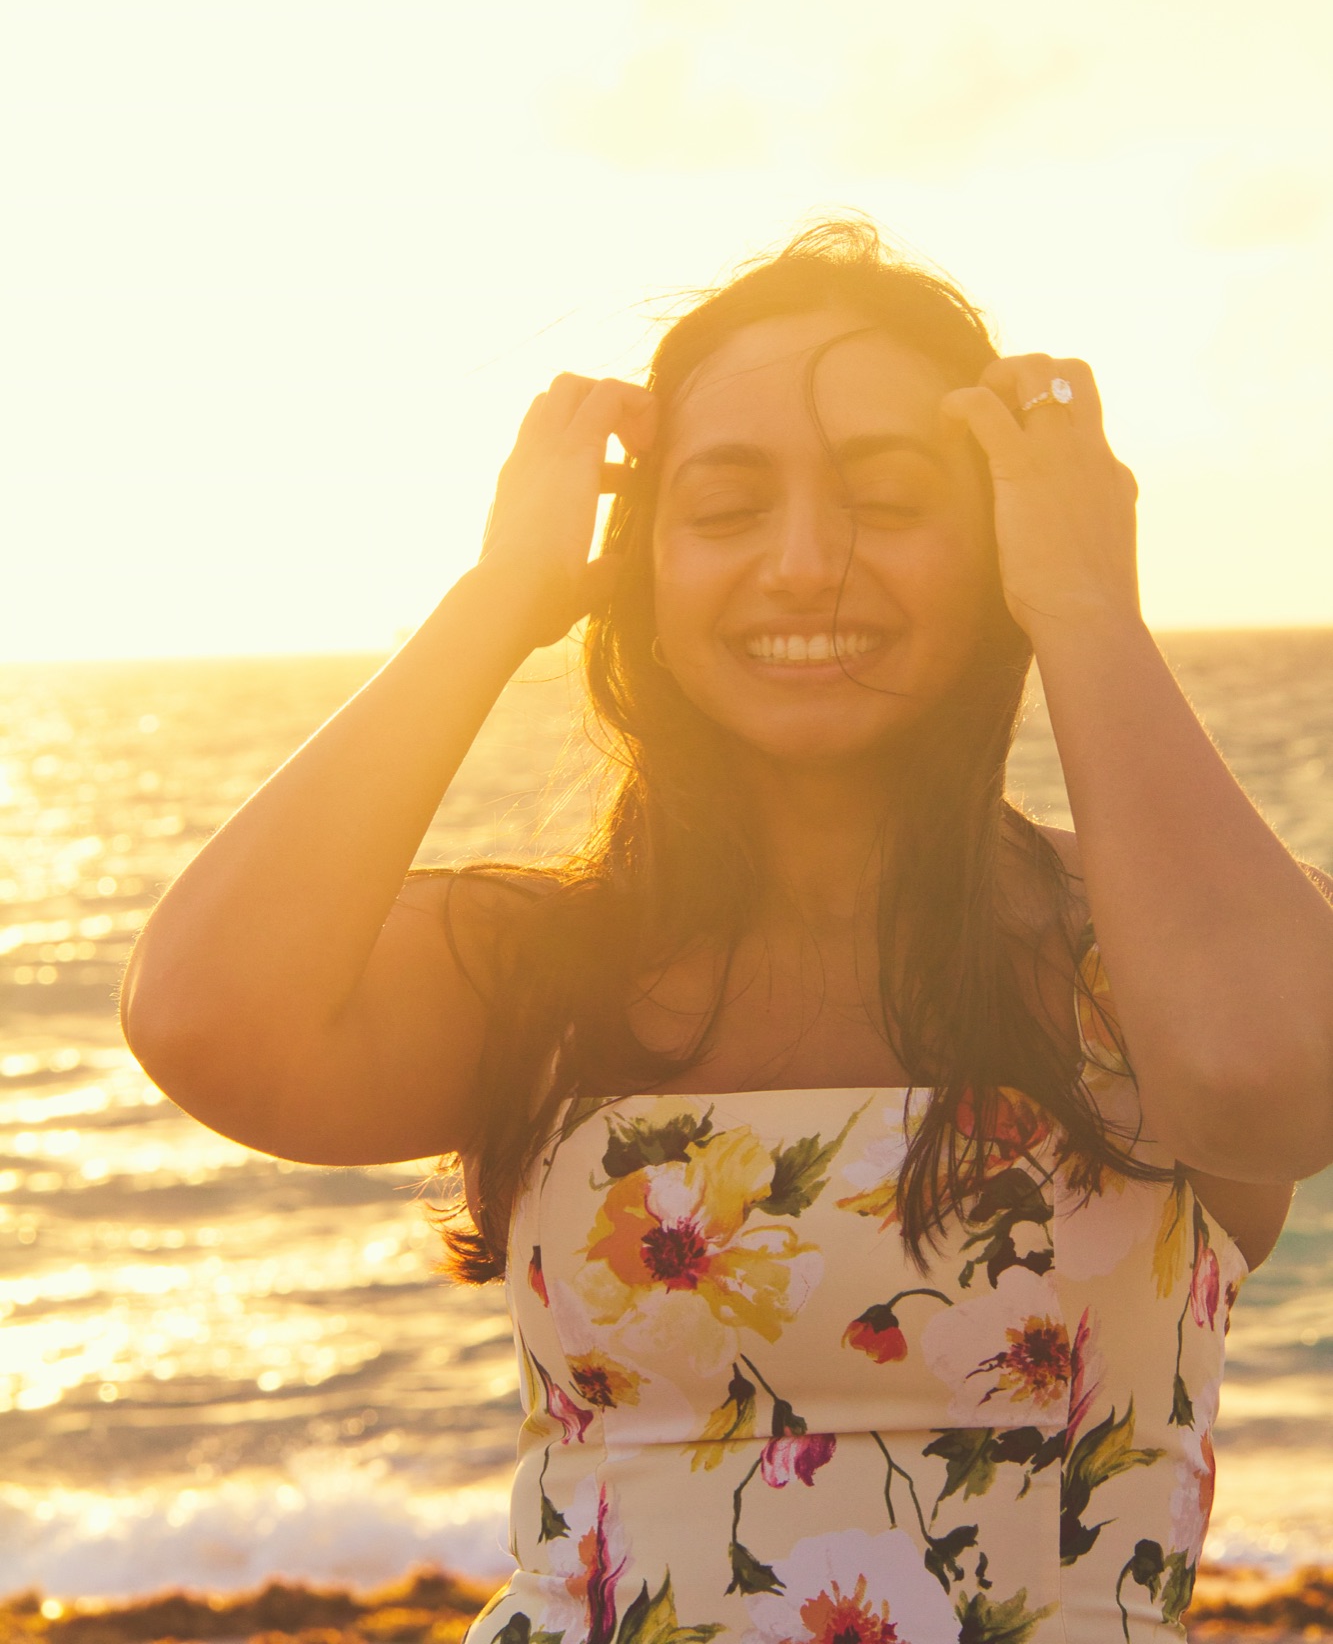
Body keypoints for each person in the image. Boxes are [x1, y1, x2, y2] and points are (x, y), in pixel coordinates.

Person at [122, 221, 1333, 1643]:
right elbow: (204, 1020)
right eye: (723, 510)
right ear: (638, 562)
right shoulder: (544, 965)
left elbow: (1277, 1090)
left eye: (889, 500)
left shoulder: (1146, 959)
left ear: (1004, 534)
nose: (805, 565)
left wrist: (1082, 604)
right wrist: (498, 595)